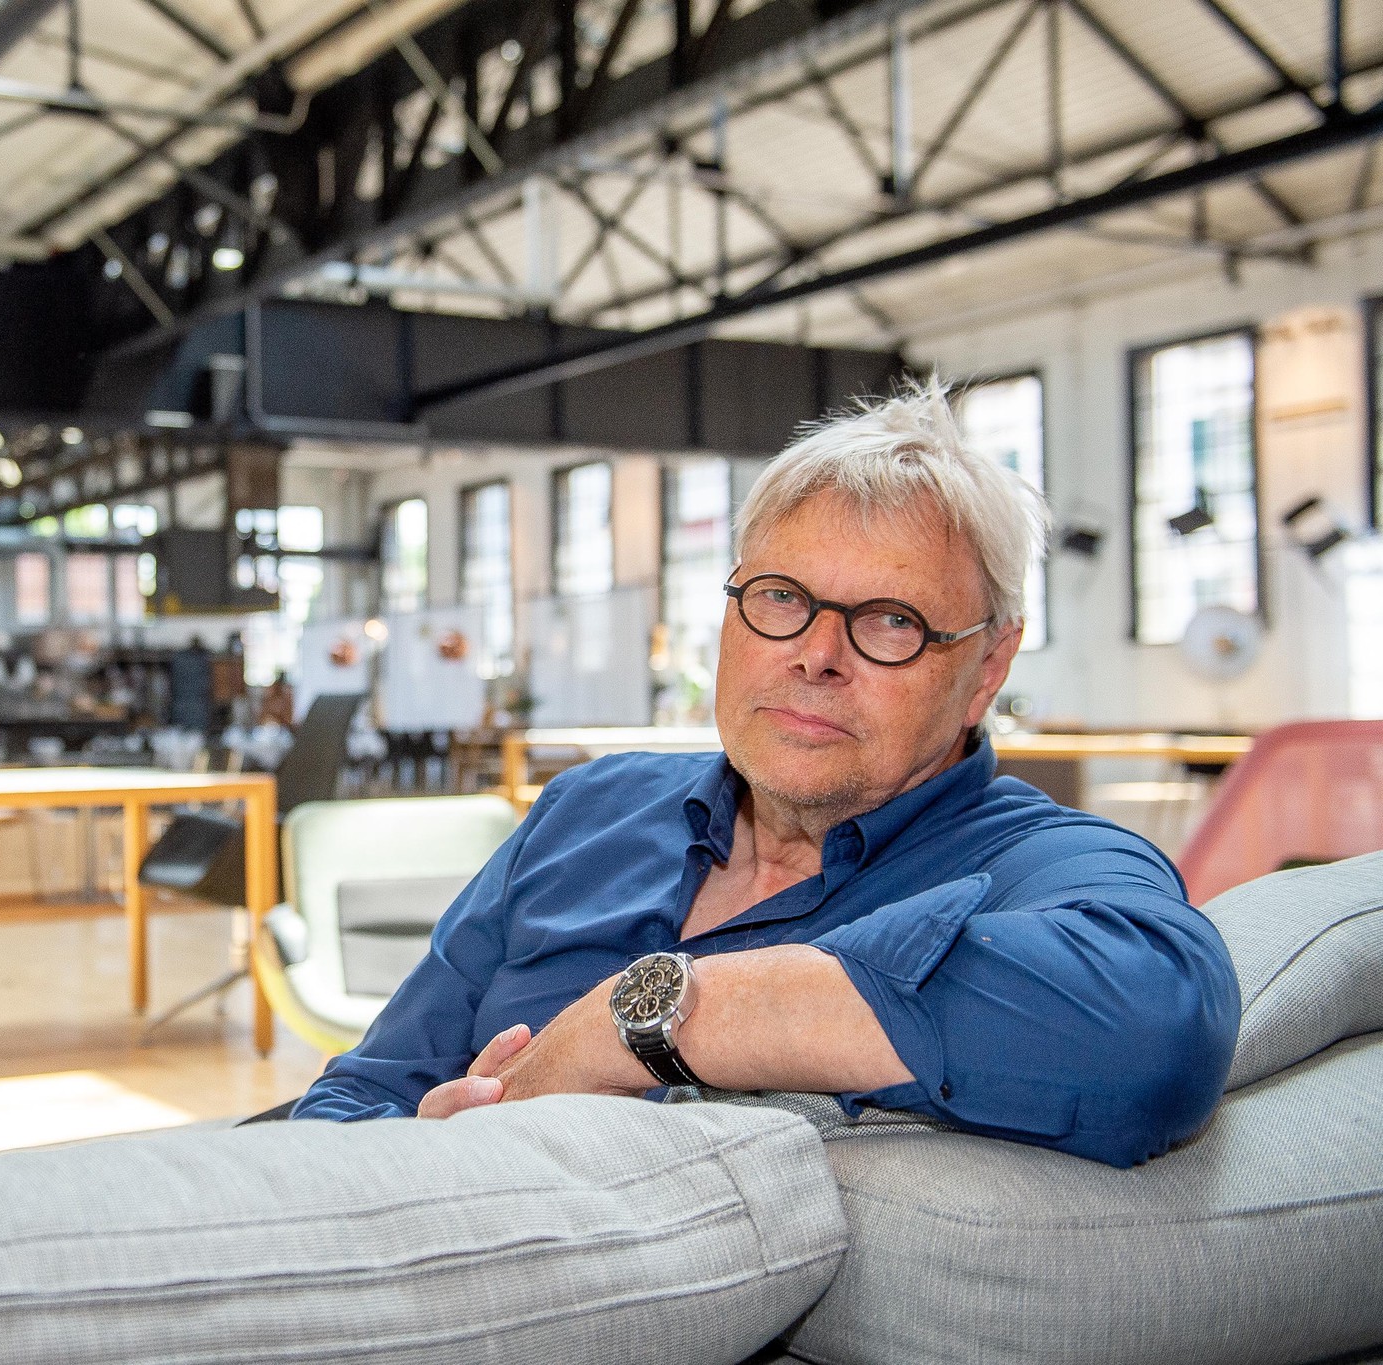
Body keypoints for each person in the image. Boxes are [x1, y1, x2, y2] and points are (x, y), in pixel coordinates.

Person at [291, 384, 1240, 1168]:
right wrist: (424, 1151)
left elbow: (1156, 1020)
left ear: (987, 667)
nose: (816, 655)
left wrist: (642, 1025)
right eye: (781, 598)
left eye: (889, 620)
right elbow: (357, 1093)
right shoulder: (587, 810)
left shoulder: (1034, 864)